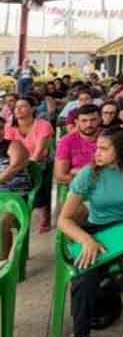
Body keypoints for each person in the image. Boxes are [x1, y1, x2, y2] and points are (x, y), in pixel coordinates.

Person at [59, 128, 123, 337]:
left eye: (104, 149)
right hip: (96, 229)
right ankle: (81, 335)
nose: (97, 153)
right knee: (85, 275)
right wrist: (87, 240)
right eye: (97, 148)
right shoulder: (88, 174)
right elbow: (64, 219)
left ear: (122, 150)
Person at [5, 96, 54, 232]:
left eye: (23, 106)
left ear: (32, 109)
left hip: (39, 162)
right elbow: (8, 150)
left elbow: (39, 152)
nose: (18, 109)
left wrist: (21, 167)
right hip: (16, 163)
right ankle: (13, 210)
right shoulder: (10, 126)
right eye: (16, 107)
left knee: (36, 173)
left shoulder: (43, 125)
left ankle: (44, 216)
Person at [0, 116, 31, 261]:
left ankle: (2, 263)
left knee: (2, 223)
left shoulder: (13, 145)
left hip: (14, 195)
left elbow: (15, 166)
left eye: (0, 128)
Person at [54, 104, 101, 190]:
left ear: (100, 120)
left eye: (93, 120)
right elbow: (60, 176)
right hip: (78, 189)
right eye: (84, 120)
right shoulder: (66, 141)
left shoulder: (110, 138)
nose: (89, 124)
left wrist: (78, 171)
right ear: (77, 122)